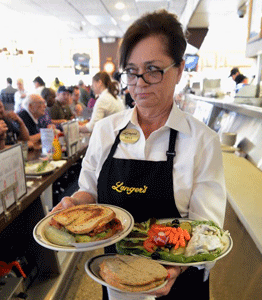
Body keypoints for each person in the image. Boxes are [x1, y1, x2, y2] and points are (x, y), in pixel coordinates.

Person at [51, 9, 226, 300]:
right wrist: (72, 204)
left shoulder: (202, 142)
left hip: (178, 285)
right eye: (131, 71)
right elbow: (90, 191)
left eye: (153, 69)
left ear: (179, 70)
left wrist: (174, 268)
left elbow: (207, 229)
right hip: (116, 279)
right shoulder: (106, 131)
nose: (139, 83)